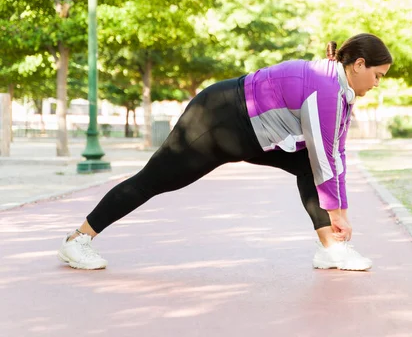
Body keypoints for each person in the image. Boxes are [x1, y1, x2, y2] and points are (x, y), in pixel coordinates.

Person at [57, 33, 392, 271]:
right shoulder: (326, 87)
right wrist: (338, 213)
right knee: (154, 180)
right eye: (377, 76)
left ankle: (331, 250)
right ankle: (77, 240)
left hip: (249, 134)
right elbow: (325, 155)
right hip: (218, 119)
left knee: (305, 164)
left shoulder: (340, 90)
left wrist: (341, 210)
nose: (377, 84)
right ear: (359, 64)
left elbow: (335, 154)